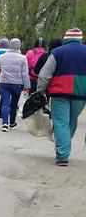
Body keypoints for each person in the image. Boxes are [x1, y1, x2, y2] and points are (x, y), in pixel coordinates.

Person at [35, 28, 86, 166]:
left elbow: (45, 74)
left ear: (66, 39)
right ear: (80, 39)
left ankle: (62, 154)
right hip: (81, 92)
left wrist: (40, 90)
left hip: (60, 92)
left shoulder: (57, 52)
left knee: (60, 122)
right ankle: (64, 145)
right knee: (71, 121)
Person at [0, 38, 30, 131]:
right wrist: (27, 86)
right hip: (17, 83)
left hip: (3, 82)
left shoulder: (2, 57)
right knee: (14, 103)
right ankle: (12, 122)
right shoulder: (23, 58)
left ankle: (5, 123)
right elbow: (24, 73)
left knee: (5, 102)